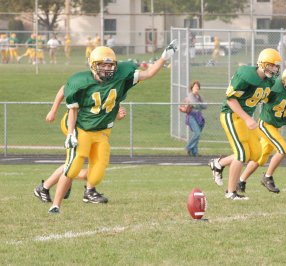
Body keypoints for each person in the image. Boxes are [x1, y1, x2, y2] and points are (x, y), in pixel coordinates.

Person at [48, 40, 177, 213]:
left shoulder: (121, 75)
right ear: (93, 65)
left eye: (110, 65)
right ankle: (56, 205)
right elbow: (73, 110)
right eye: (102, 65)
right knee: (73, 166)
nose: (107, 69)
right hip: (82, 128)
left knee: (96, 173)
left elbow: (148, 74)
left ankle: (81, 190)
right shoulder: (81, 81)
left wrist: (163, 58)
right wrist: (70, 133)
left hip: (101, 130)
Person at [208, 48, 282, 200]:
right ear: (263, 64)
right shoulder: (246, 74)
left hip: (245, 117)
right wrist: (247, 119)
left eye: (276, 66)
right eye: (272, 65)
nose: (275, 69)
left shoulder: (269, 81)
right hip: (231, 114)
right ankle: (231, 193)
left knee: (255, 154)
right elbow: (230, 99)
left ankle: (219, 163)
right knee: (241, 154)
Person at [34, 85, 126, 203]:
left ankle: (47, 187)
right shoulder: (86, 80)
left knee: (94, 163)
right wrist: (53, 110)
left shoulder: (114, 84)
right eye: (104, 65)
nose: (108, 69)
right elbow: (64, 89)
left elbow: (105, 112)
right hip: (76, 125)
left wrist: (118, 115)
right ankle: (87, 190)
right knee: (76, 161)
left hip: (93, 129)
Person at [235, 66, 286, 194]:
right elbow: (259, 98)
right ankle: (267, 177)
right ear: (285, 79)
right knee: (283, 149)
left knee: (260, 159)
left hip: (275, 127)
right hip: (265, 124)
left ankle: (240, 181)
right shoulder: (274, 87)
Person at [181, 81, 207, 156]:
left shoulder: (199, 96)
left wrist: (200, 105)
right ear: (192, 88)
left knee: (197, 135)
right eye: (195, 86)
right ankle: (188, 147)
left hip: (198, 116)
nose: (197, 88)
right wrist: (200, 105)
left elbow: (205, 106)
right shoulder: (190, 96)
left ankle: (195, 152)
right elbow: (195, 105)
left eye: (198, 86)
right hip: (191, 116)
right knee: (197, 133)